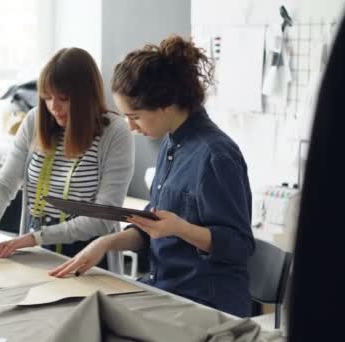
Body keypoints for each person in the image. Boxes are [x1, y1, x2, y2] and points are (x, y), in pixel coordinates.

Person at [50, 35, 255, 318]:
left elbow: (239, 247)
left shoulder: (216, 156)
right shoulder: (171, 144)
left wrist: (180, 228)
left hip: (206, 305)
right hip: (164, 291)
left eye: (134, 116)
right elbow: (154, 226)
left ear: (167, 104)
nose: (130, 127)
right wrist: (104, 243)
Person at [0, 47, 135, 271]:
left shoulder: (115, 132)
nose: (53, 107)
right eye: (47, 98)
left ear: (85, 96)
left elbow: (103, 216)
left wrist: (35, 238)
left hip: (87, 259)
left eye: (63, 98)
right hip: (34, 251)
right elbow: (4, 183)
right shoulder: (34, 121)